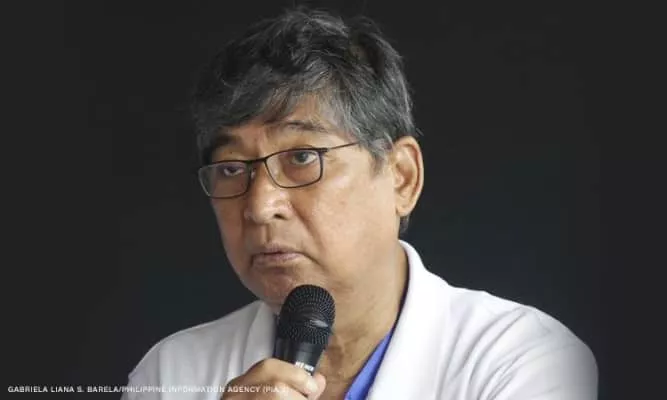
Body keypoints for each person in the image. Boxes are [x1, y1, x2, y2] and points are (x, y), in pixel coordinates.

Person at [121, 7, 597, 400]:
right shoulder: (171, 375)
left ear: (401, 177)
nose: (261, 206)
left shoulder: (521, 360)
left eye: (302, 158)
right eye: (231, 168)